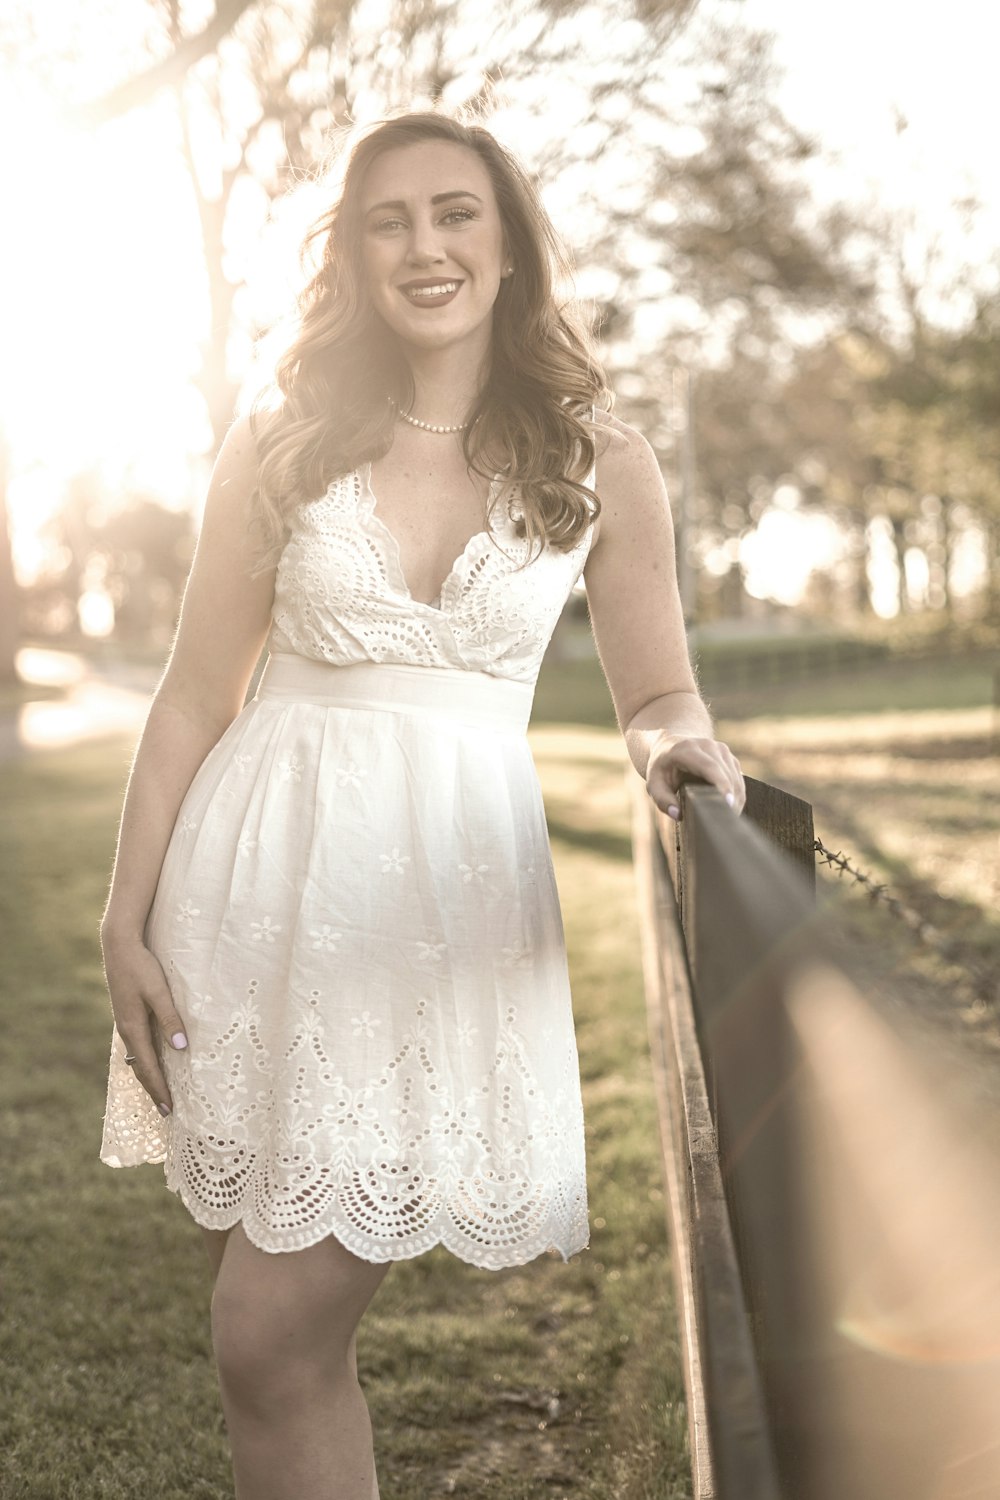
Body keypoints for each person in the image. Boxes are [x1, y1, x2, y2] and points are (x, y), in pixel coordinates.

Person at [98, 110, 745, 1500]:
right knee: (277, 1357)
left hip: (435, 920)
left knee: (268, 1335)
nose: (426, 245)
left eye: (456, 213)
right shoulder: (282, 439)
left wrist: (679, 758)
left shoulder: (600, 458)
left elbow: (656, 696)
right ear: (352, 252)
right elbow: (192, 695)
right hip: (244, 896)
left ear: (508, 245)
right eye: (388, 220)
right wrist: (123, 922)